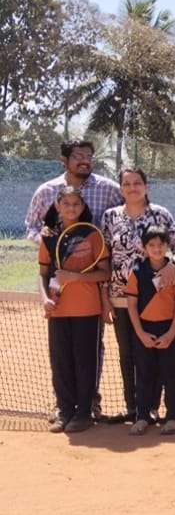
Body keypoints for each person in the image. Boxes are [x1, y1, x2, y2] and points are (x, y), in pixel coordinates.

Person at [26, 139, 123, 422]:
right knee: (62, 356)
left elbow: (124, 215)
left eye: (88, 156)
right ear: (64, 159)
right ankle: (64, 406)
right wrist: (52, 242)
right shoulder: (45, 191)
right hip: (59, 298)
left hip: (93, 296)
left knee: (90, 352)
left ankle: (88, 405)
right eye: (78, 155)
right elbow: (32, 228)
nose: (84, 160)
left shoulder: (109, 189)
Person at [101, 168, 175, 424]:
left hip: (158, 299)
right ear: (120, 188)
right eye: (126, 183)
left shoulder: (160, 214)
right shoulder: (110, 217)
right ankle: (134, 408)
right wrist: (104, 294)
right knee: (128, 353)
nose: (132, 187)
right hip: (121, 299)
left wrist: (174, 265)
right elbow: (104, 256)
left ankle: (151, 406)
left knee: (157, 351)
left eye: (137, 182)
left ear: (146, 186)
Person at [39, 187, 110, 433]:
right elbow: (43, 274)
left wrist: (74, 277)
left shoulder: (93, 235)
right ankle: (65, 410)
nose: (71, 208)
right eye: (66, 203)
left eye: (75, 204)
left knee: (85, 363)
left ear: (82, 207)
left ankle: (83, 413)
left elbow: (105, 272)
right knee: (61, 363)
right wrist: (44, 299)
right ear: (57, 205)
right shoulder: (48, 236)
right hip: (57, 310)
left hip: (88, 310)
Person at [124, 226, 175, 436]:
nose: (157, 249)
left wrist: (171, 333)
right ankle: (142, 417)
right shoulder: (136, 271)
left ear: (167, 246)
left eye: (161, 245)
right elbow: (132, 305)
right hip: (144, 329)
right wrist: (140, 333)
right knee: (143, 374)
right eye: (151, 245)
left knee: (169, 374)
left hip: (167, 329)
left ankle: (172, 417)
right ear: (144, 248)